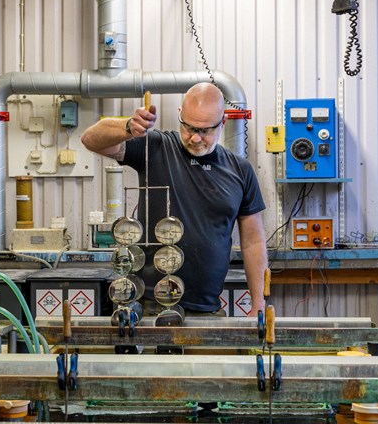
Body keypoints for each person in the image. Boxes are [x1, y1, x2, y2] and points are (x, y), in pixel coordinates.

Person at [81, 82, 267, 316]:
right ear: (180, 115)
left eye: (206, 131)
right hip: (150, 305)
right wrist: (128, 127)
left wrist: (258, 302)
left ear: (223, 123)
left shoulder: (240, 170)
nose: (196, 139)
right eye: (188, 127)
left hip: (206, 308)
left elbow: (253, 242)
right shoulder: (156, 147)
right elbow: (90, 139)